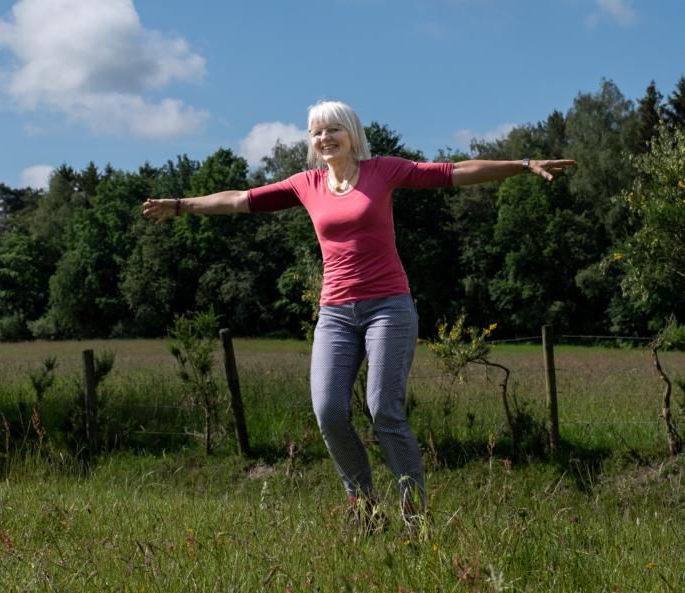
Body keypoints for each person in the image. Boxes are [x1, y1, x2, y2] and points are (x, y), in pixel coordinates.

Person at [143, 100, 575, 527]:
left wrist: (522, 163)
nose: (324, 138)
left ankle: (414, 515)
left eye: (333, 129)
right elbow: (239, 200)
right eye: (316, 132)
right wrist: (182, 204)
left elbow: (455, 171)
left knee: (383, 408)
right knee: (328, 410)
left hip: (388, 307)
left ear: (351, 134)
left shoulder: (383, 171)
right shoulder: (306, 184)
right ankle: (365, 508)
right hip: (334, 314)